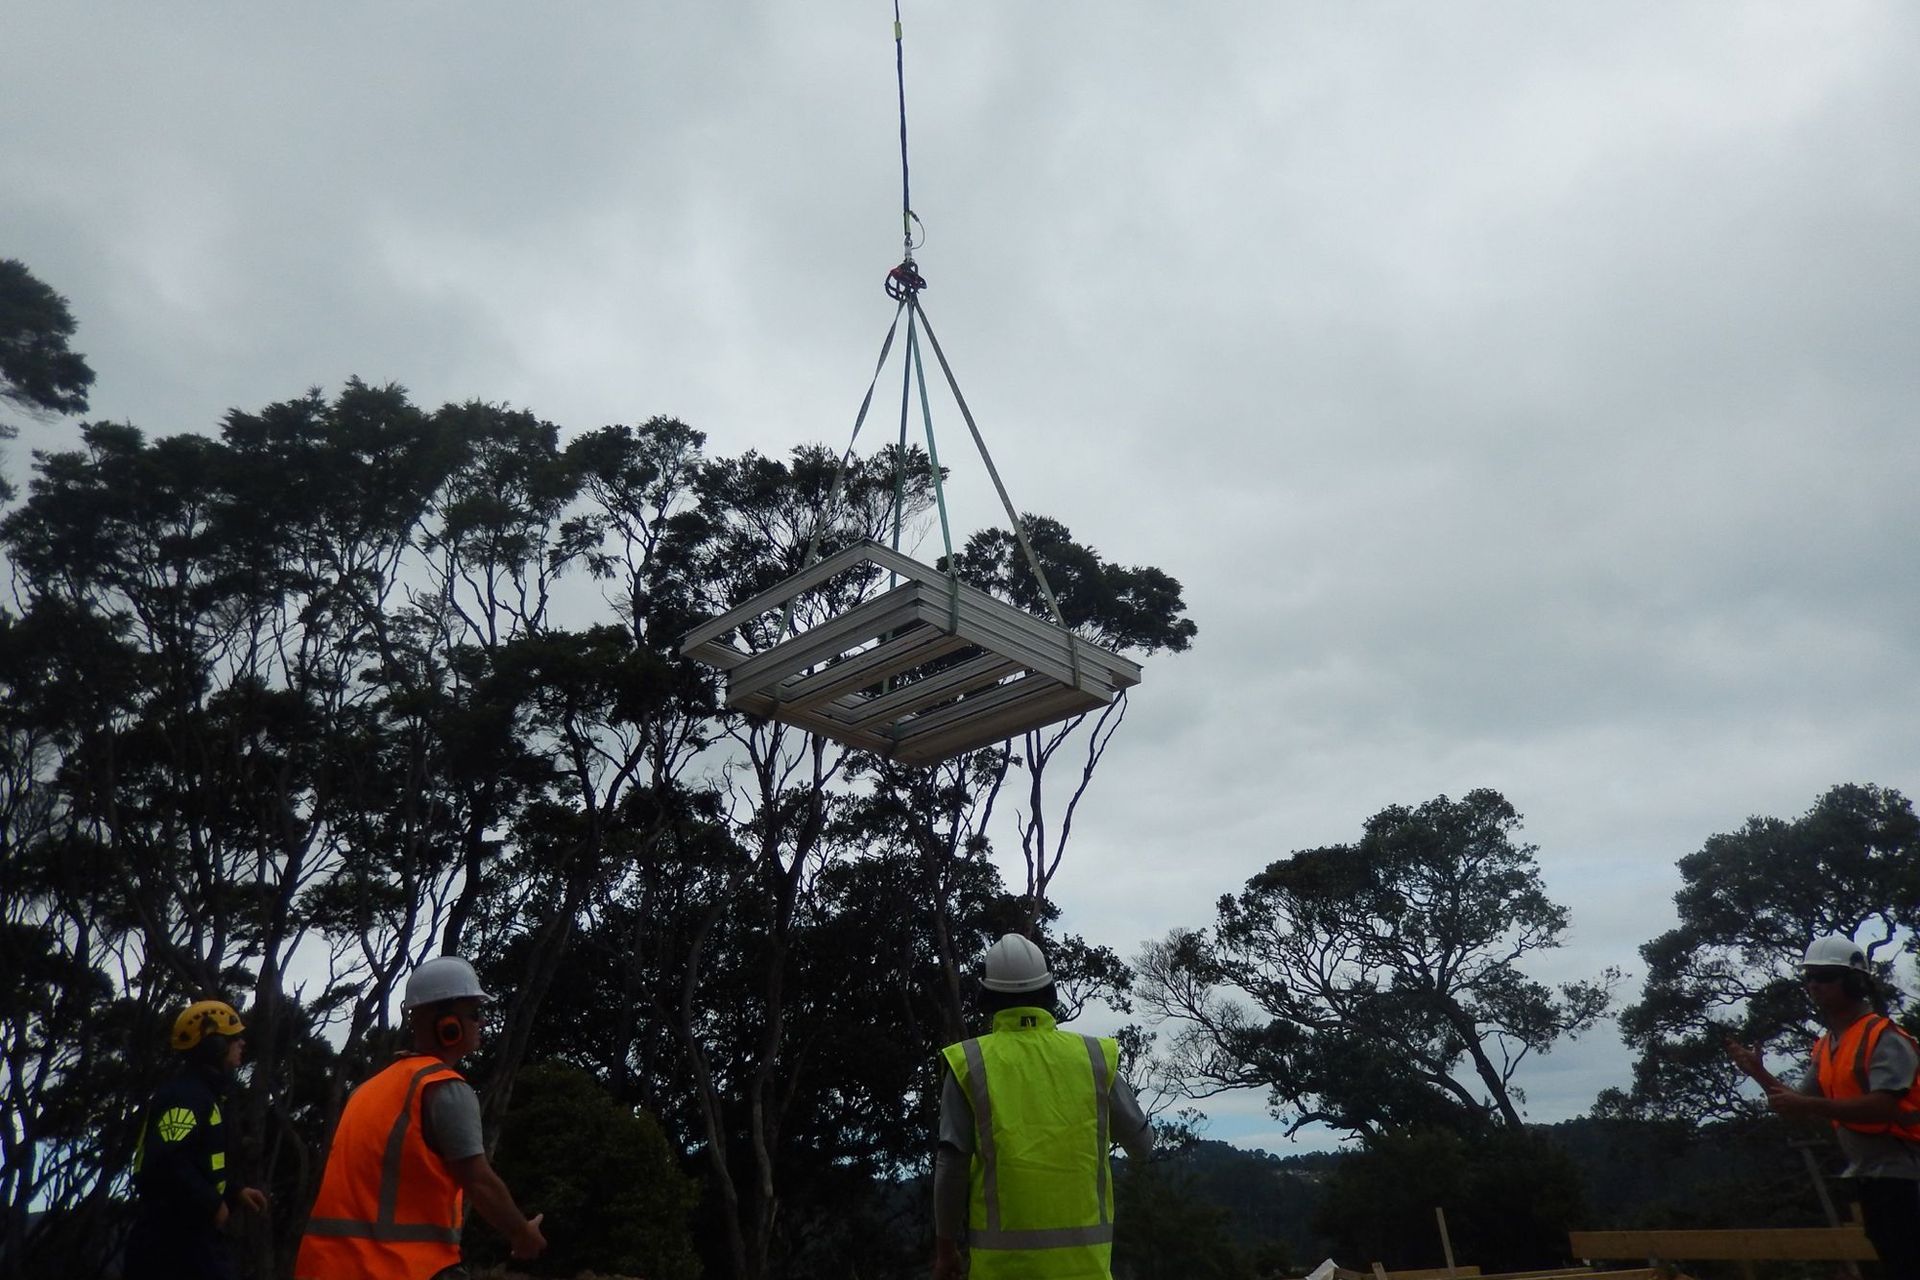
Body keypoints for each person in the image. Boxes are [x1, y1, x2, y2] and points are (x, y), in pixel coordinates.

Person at [294, 955, 545, 1280]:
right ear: (448, 1025)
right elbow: (478, 1181)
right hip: (400, 1268)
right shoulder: (443, 1088)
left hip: (326, 1268)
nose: (481, 1022)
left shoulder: (369, 1089)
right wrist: (521, 1233)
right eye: (475, 1013)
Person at [933, 933, 1153, 1280]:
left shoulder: (970, 1063)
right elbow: (1142, 1146)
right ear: (1049, 992)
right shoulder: (1094, 1059)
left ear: (987, 997)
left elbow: (951, 1166)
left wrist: (946, 1252)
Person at [1726, 934, 1920, 1280]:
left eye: (1825, 977)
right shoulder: (1826, 1045)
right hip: (1873, 1176)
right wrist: (1757, 1072)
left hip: (1906, 1172)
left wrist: (1811, 1104)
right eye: (1809, 978)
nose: (1814, 985)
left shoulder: (1883, 1035)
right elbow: (1796, 1107)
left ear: (1854, 981)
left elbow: (1884, 1107)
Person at [124, 1000, 270, 1280]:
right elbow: (167, 1161)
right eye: (233, 1037)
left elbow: (196, 1162)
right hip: (174, 1242)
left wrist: (233, 1191)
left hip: (185, 1235)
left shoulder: (203, 1094)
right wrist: (212, 1204)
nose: (242, 1043)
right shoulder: (187, 1097)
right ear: (214, 1046)